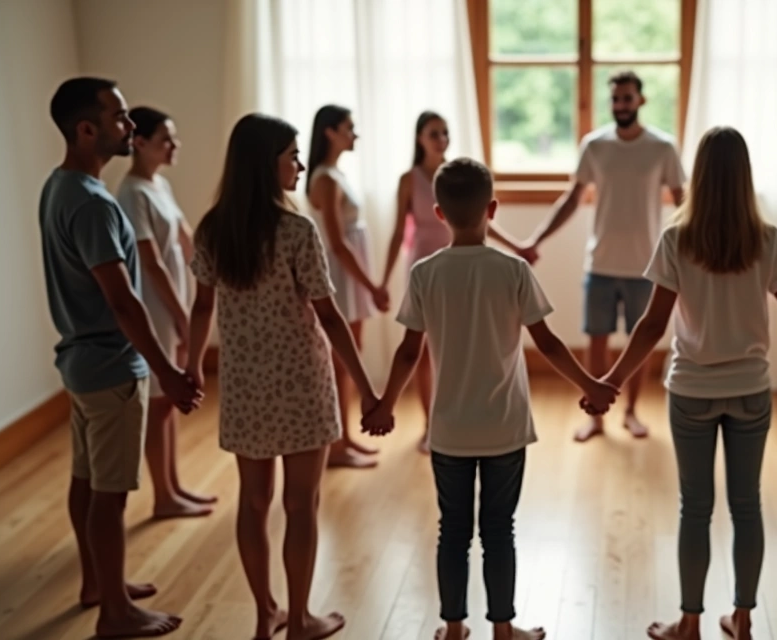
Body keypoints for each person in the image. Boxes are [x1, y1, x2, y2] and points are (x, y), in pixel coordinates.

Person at [581, 127, 777, 640]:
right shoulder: (766, 240)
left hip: (691, 390)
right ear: (744, 178)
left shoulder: (677, 239)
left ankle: (689, 623)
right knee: (746, 505)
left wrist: (609, 381)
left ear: (700, 176)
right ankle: (743, 618)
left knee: (695, 507)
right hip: (750, 390)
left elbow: (649, 326)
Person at [363, 158, 619, 640]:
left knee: (453, 532)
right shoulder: (512, 269)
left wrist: (384, 405)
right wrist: (590, 385)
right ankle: (503, 630)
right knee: (499, 530)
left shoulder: (425, 273)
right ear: (493, 209)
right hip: (504, 427)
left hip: (450, 430)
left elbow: (407, 352)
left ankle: (455, 629)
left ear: (437, 214)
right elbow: (547, 343)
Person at [186, 113, 383, 640]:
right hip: (300, 381)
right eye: (292, 155)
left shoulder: (212, 230)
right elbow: (329, 316)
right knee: (302, 503)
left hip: (246, 384)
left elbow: (201, 308)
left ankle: (263, 615)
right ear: (265, 163)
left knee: (252, 502)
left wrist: (189, 367)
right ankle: (299, 621)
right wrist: (367, 389)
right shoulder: (296, 230)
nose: (300, 163)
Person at [41, 77, 200, 638]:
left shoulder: (59, 187)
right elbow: (124, 301)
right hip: (111, 369)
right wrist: (169, 375)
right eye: (119, 117)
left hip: (80, 366)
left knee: (86, 481)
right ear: (87, 130)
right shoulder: (92, 204)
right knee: (109, 497)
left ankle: (98, 583)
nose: (129, 127)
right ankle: (115, 612)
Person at [522, 70, 686, 443]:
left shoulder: (663, 147)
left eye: (627, 98)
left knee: (637, 341)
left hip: (646, 265)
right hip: (600, 263)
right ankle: (596, 415)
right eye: (615, 99)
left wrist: (696, 246)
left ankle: (630, 412)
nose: (620, 105)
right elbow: (572, 199)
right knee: (597, 339)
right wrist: (536, 239)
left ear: (640, 101)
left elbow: (681, 201)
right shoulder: (595, 145)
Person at [382, 111, 537, 453]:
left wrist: (517, 247)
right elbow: (397, 232)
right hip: (427, 260)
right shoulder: (409, 179)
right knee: (422, 350)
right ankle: (430, 424)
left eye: (445, 132)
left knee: (463, 343)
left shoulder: (459, 177)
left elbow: (481, 219)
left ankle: (469, 416)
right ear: (419, 138)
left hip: (467, 261)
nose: (442, 139)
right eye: (434, 133)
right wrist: (381, 281)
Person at [115, 106, 217, 519]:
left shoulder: (159, 186)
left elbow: (186, 239)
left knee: (171, 401)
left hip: (175, 301)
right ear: (139, 143)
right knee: (160, 403)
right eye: (165, 139)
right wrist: (180, 314)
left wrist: (212, 278)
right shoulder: (131, 192)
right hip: (157, 308)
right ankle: (163, 495)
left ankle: (174, 486)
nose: (174, 146)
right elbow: (150, 261)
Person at [306, 104, 387, 469]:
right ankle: (336, 445)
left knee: (349, 358)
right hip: (341, 275)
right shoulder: (324, 178)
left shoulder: (336, 174)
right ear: (330, 132)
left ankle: (346, 438)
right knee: (341, 360)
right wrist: (371, 285)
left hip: (348, 274)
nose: (355, 134)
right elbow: (337, 243)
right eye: (349, 127)